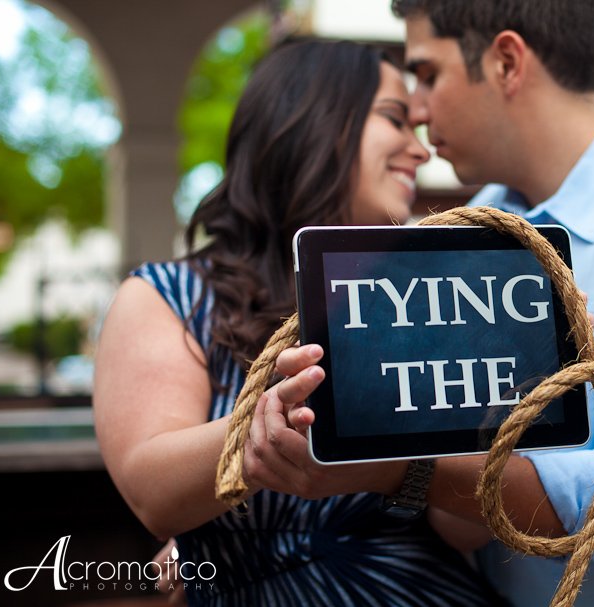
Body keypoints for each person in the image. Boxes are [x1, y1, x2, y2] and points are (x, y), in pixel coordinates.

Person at [254, 1, 594, 605]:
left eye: (429, 74)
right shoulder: (479, 222)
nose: (417, 109)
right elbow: (458, 511)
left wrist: (395, 466)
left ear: (507, 62)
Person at [93, 38, 508, 606]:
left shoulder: (421, 298)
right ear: (314, 120)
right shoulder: (170, 298)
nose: (419, 151)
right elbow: (154, 496)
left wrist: (484, 399)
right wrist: (269, 429)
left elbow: (463, 531)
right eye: (394, 119)